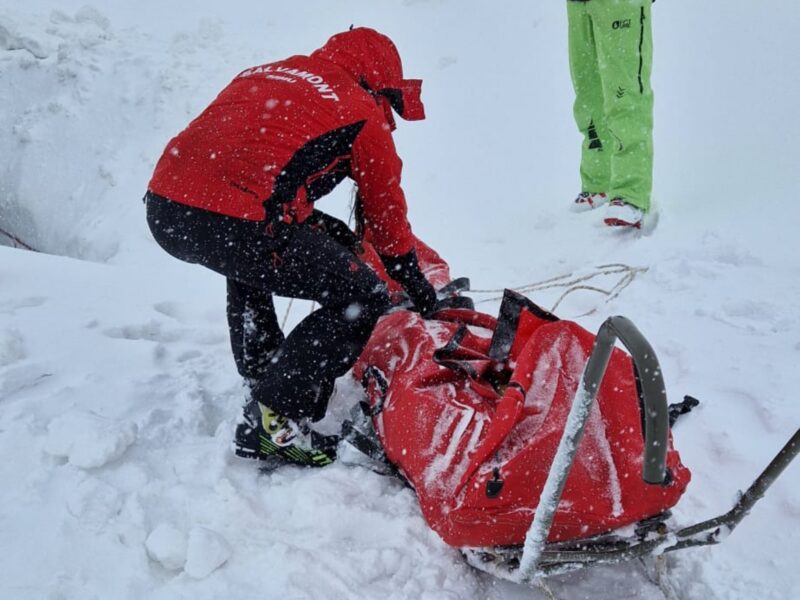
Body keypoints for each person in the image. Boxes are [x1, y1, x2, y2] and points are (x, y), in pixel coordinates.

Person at [144, 27, 437, 468]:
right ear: (378, 80)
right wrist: (409, 276)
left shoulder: (272, 73)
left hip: (167, 209)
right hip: (236, 217)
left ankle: (263, 370)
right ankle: (276, 416)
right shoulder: (358, 109)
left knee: (247, 251)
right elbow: (385, 210)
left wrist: (328, 230)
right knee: (364, 294)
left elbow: (250, 163)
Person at [567, 0, 654, 228]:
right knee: (588, 96)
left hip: (621, 5)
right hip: (579, 4)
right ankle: (598, 182)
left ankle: (631, 193)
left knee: (624, 94)